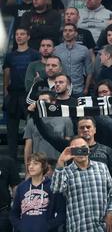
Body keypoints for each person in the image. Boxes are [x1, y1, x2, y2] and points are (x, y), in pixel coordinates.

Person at [51, 136, 112, 232]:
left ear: (88, 149)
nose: (80, 151)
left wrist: (110, 213)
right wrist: (61, 161)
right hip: (79, 228)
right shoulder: (65, 172)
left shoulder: (102, 168)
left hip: (102, 228)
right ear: (71, 151)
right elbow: (56, 189)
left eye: (83, 148)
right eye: (76, 149)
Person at [3, 27, 40, 160]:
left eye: (22, 34)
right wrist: (6, 91)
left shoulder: (35, 54)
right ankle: (11, 159)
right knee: (11, 130)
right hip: (13, 94)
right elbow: (6, 73)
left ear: (28, 37)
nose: (19, 36)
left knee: (32, 128)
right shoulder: (10, 56)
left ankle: (33, 158)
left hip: (28, 95)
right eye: (17, 34)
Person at [9, 152, 65, 232]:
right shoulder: (21, 187)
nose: (31, 167)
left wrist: (48, 227)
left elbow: (61, 213)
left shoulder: (53, 186)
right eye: (29, 164)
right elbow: (14, 214)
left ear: (43, 166)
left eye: (35, 164)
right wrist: (21, 227)